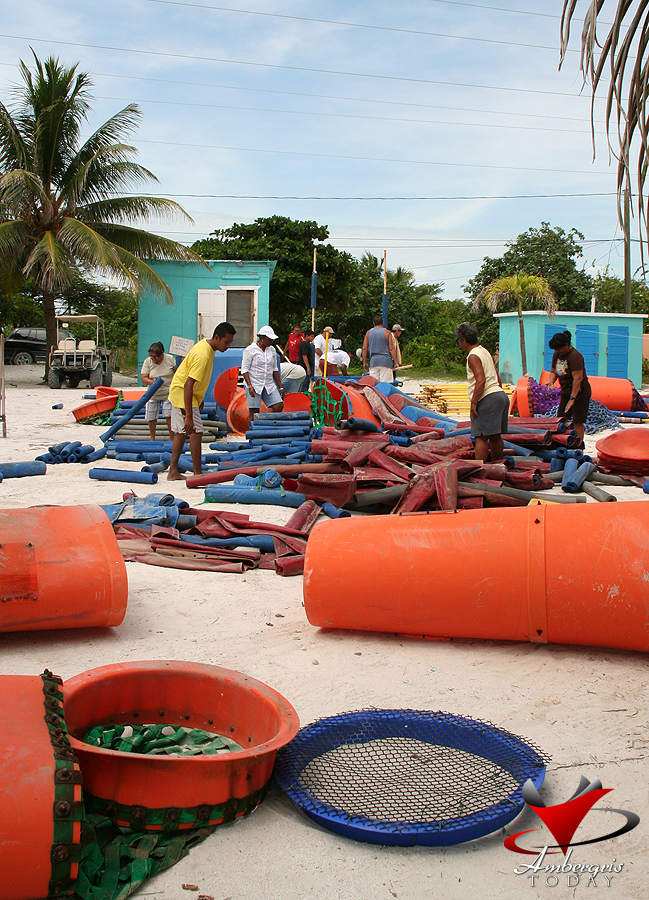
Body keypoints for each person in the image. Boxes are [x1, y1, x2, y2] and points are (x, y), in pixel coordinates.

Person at [167, 322, 236, 480]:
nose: (228, 346)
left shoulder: (208, 347)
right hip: (183, 393)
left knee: (181, 432)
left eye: (230, 342)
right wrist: (189, 415)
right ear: (217, 337)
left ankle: (173, 471)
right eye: (226, 342)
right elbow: (188, 384)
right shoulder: (203, 355)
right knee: (196, 431)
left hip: (184, 392)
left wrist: (199, 399)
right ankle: (198, 474)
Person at [455, 322, 509, 463]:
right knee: (495, 436)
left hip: (487, 398)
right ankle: (497, 466)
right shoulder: (484, 351)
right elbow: (496, 376)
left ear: (463, 340)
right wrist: (498, 393)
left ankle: (481, 469)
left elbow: (481, 380)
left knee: (481, 437)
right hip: (499, 395)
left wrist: (474, 403)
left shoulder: (473, 356)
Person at [547, 330, 591, 446]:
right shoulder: (557, 354)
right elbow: (554, 370)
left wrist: (572, 399)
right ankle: (561, 443)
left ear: (566, 345)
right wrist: (551, 381)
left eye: (559, 349)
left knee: (577, 420)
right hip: (566, 391)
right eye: (556, 350)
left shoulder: (575, 356)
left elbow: (578, 379)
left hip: (580, 391)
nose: (558, 351)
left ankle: (579, 445)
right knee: (561, 418)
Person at [241, 324, 285, 428]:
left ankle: (269, 427)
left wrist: (280, 387)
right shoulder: (250, 350)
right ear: (262, 338)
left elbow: (275, 369)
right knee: (254, 411)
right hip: (254, 383)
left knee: (278, 405)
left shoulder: (272, 350)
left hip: (268, 383)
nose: (271, 341)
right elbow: (245, 370)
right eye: (269, 339)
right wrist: (250, 386)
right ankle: (253, 433)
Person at [140, 342, 176, 440]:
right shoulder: (148, 361)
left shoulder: (170, 359)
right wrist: (151, 381)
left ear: (162, 353)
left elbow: (177, 372)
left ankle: (172, 437)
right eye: (151, 356)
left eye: (155, 357)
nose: (153, 359)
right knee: (151, 416)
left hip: (168, 392)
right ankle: (152, 437)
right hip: (153, 393)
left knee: (169, 414)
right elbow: (143, 377)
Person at [362, 315, 399, 382]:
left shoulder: (368, 333)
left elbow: (364, 348)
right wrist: (396, 362)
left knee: (374, 385)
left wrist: (365, 362)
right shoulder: (387, 332)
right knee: (385, 385)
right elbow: (391, 348)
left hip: (373, 362)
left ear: (373, 323)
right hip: (385, 362)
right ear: (382, 322)